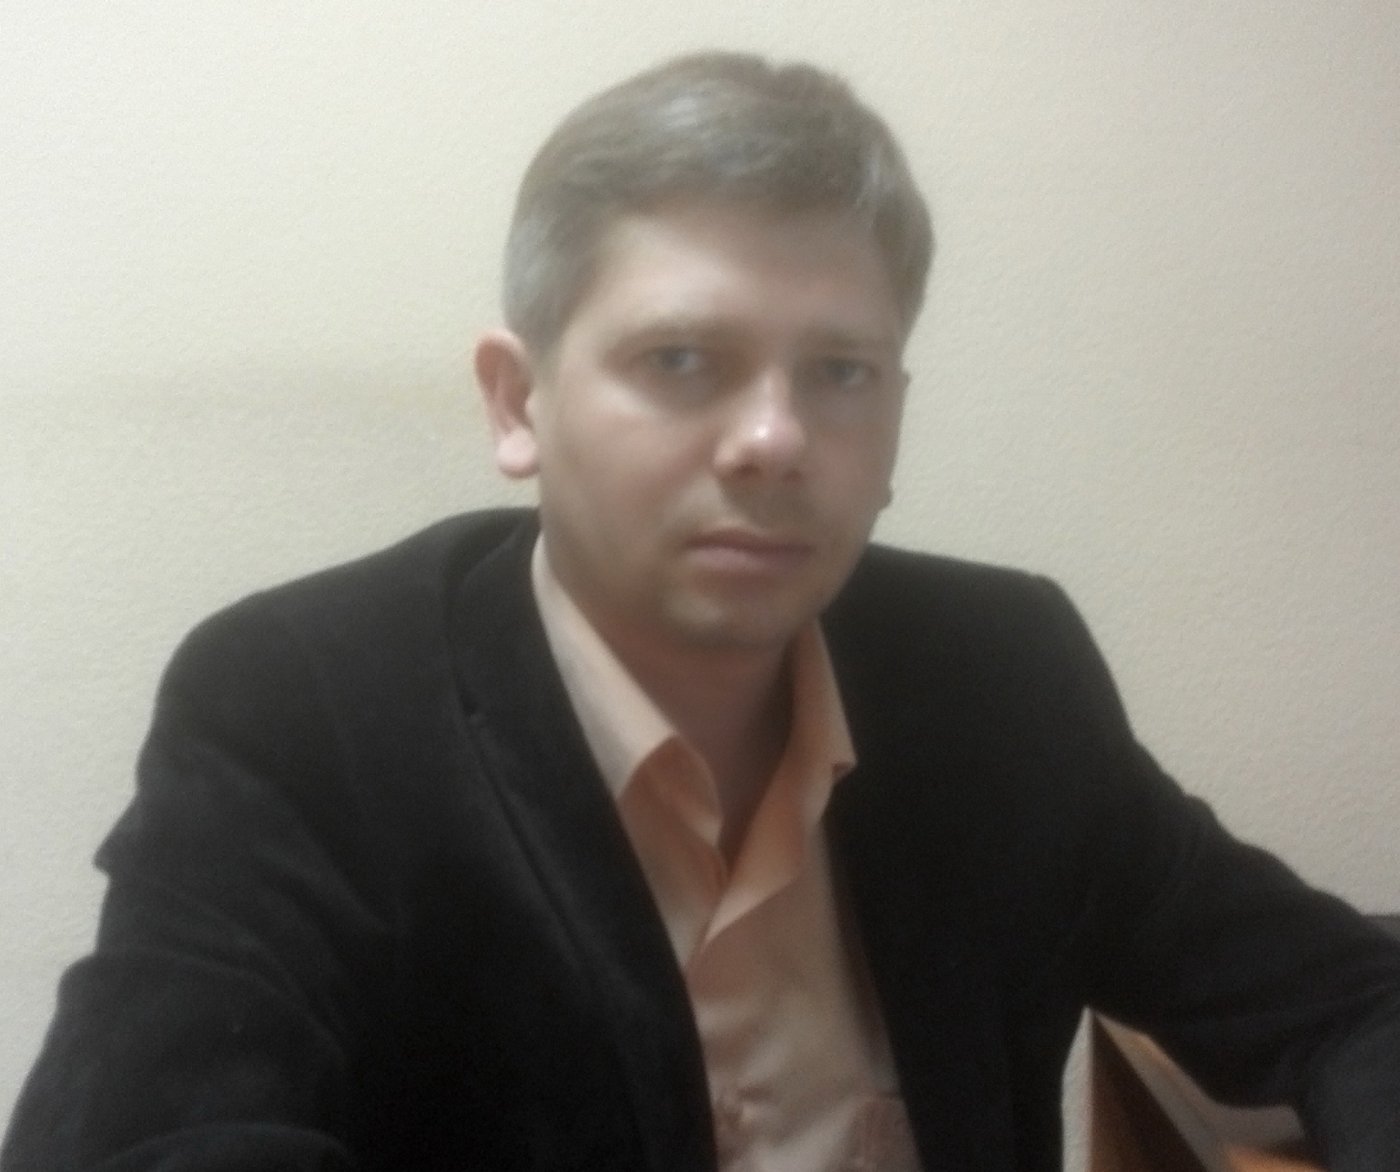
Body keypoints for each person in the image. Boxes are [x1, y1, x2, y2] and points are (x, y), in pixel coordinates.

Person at [4, 51, 1398, 1172]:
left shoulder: (998, 677)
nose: (775, 440)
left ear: (896, 416)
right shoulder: (303, 707)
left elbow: (1347, 998)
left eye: (841, 372)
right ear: (518, 401)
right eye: (681, 359)